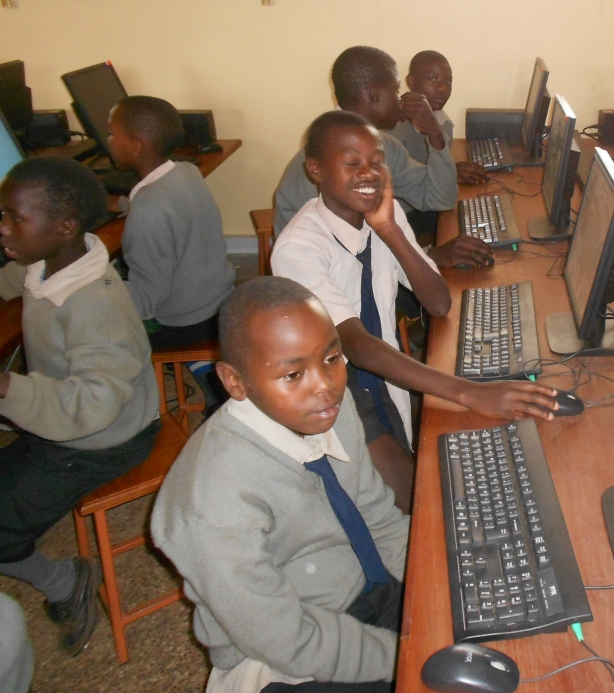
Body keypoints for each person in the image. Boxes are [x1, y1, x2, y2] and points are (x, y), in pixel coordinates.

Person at [272, 111, 559, 512]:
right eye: (352, 163)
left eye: (376, 161)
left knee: (435, 474)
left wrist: (390, 230)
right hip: (335, 391)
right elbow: (356, 344)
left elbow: (438, 301)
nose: (368, 174)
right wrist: (469, 392)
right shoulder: (299, 248)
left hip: (386, 371)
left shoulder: (381, 216)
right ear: (315, 170)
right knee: (418, 502)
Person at [151, 277, 408, 693]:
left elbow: (379, 518)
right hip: (281, 653)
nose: (325, 386)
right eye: (293, 374)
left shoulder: (328, 409)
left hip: (360, 586)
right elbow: (285, 637)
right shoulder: (213, 500)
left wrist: (439, 580)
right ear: (234, 382)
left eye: (332, 357)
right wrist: (403, 655)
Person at [0, 157, 161, 656]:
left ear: (64, 226)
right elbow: (18, 281)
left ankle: (66, 580)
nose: (2, 227)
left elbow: (93, 405)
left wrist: (8, 389)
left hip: (102, 440)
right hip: (62, 422)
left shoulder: (98, 306)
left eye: (13, 218)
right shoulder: (52, 261)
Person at [274, 47, 491, 269]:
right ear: (375, 94)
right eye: (396, 91)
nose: (400, 100)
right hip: (320, 282)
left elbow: (440, 199)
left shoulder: (385, 145)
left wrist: (434, 132)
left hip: (372, 266)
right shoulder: (325, 163)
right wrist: (429, 256)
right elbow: (345, 266)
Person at [108, 95, 235, 410]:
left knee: (99, 315)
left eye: (112, 135)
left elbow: (146, 301)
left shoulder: (148, 210)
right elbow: (171, 212)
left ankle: (135, 402)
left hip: (180, 324)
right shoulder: (186, 172)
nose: (108, 142)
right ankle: (204, 364)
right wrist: (128, 205)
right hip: (219, 302)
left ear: (136, 146)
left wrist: (101, 283)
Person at [387, 50, 489, 185]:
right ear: (411, 81)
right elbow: (396, 183)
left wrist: (449, 169)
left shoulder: (444, 123)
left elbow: (433, 166)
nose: (442, 88)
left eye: (448, 81)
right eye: (432, 79)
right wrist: (449, 172)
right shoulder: (391, 126)